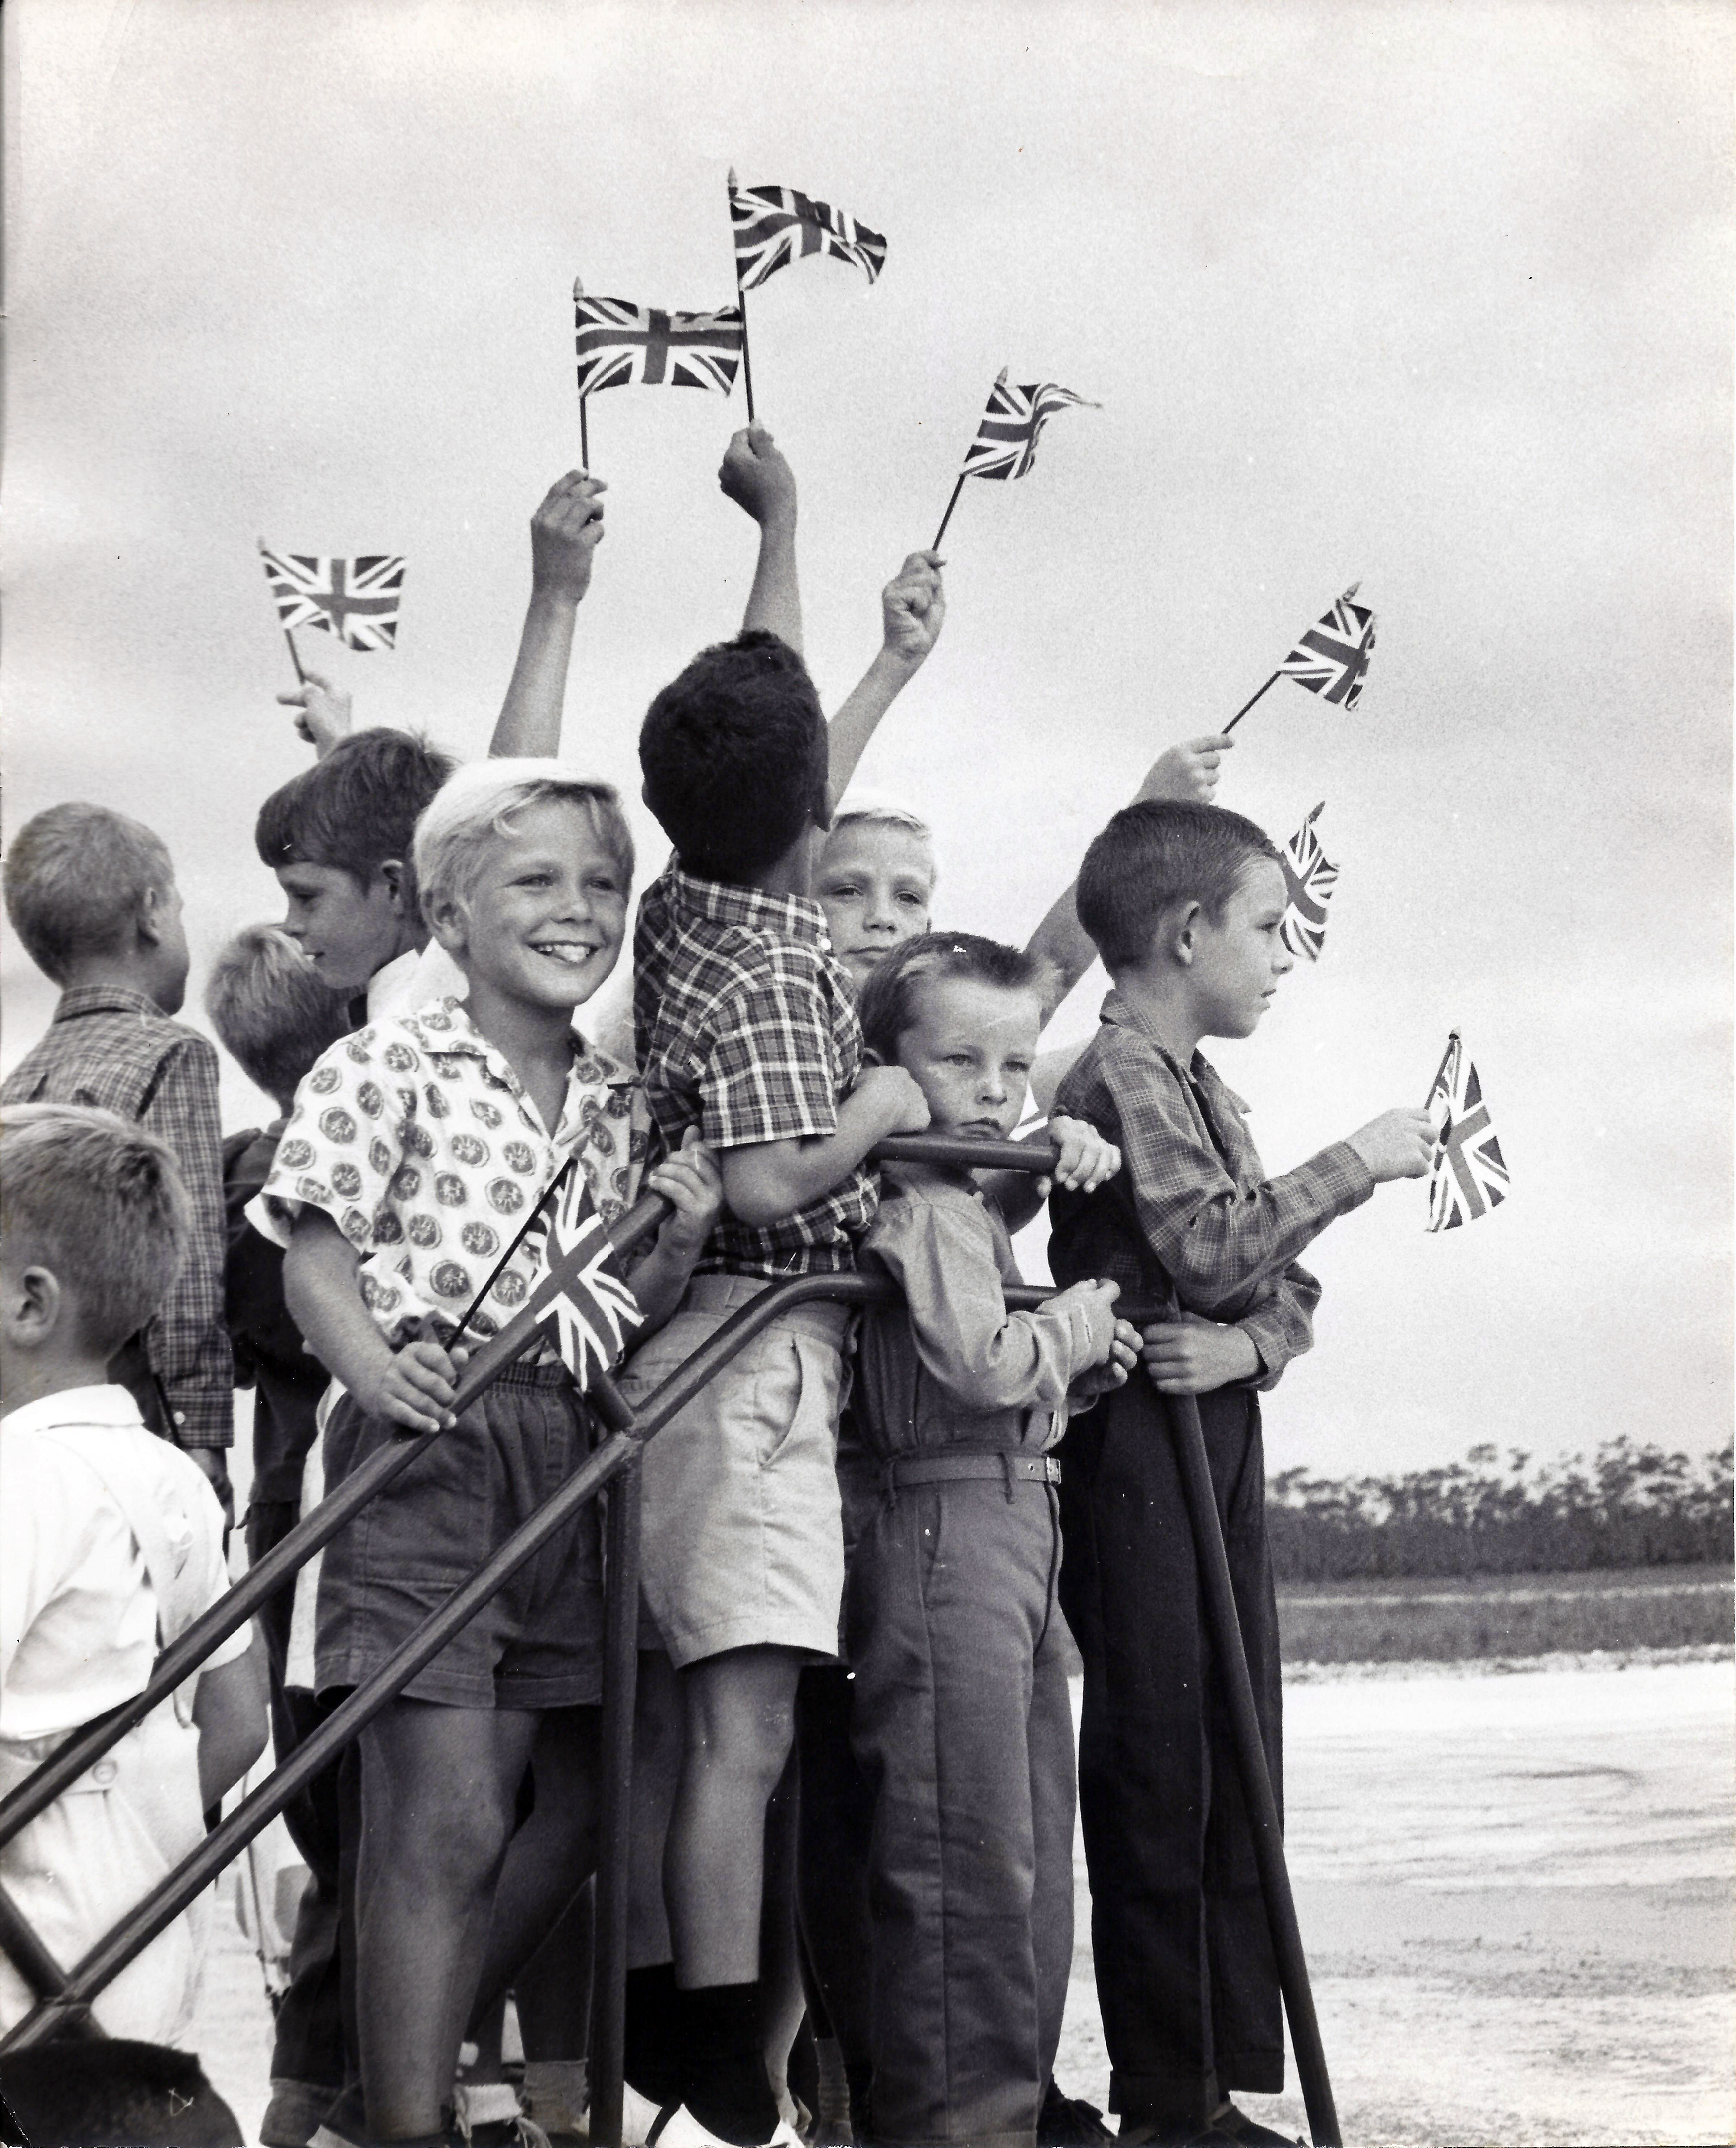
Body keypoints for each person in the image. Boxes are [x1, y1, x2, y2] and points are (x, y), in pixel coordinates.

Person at [254, 762, 722, 2148]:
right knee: (441, 1819)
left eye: (601, 886)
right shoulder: (389, 1058)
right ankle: (403, 2122)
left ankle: (387, 2075)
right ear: (448, 918)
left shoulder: (622, 1099)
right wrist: (370, 1366)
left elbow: (613, 1309)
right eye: (537, 882)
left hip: (569, 1455)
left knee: (587, 1796)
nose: (578, 910)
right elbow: (314, 1248)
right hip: (431, 1443)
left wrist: (681, 1235)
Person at [1047, 800, 1435, 2147]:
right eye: (1268, 928)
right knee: (1159, 1759)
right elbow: (1214, 1246)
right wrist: (1360, 1164)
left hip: (1206, 1422)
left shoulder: (1201, 1080)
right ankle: (1166, 2092)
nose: (1284, 956)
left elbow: (1275, 1280)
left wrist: (1249, 1352)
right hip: (1133, 1439)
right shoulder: (1122, 1074)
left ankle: (1201, 2079)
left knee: (1231, 1750)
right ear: (1184, 931)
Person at [624, 572, 940, 2148]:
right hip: (748, 1362)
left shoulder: (691, 897)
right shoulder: (766, 970)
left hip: (743, 1364)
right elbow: (761, 1184)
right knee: (743, 1732)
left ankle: (727, 2022)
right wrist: (879, 1111)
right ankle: (712, 2046)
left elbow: (789, 765)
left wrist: (810, 562)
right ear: (816, 822)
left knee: (749, 1730)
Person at [846, 935, 1140, 2148]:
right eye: (957, 1059)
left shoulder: (968, 1200)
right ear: (888, 1070)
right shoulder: (921, 1202)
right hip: (943, 1526)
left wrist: (1071, 1365)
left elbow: (1002, 1374)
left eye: (1015, 1065)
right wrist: (1062, 1337)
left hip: (1015, 1516)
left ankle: (1008, 2111)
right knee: (962, 1858)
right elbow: (975, 1364)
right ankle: (963, 2128)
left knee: (1019, 1852)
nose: (993, 1088)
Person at [0, 1105, 266, 2045]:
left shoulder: (20, 1482)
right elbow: (238, 1720)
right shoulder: (176, 1476)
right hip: (141, 1938)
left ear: (30, 1304)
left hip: (26, 1956)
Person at [257, 469, 609, 1027]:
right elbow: (385, 848)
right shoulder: (401, 992)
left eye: (307, 897)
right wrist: (342, 764)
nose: (290, 925)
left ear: (399, 886)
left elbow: (506, 791)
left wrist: (555, 598)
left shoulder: (436, 996)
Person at [204, 923, 354, 2148]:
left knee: (335, 1835)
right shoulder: (313, 1181)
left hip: (282, 1533)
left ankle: (307, 2095)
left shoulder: (241, 1173)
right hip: (339, 1530)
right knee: (374, 1832)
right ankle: (327, 2098)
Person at [0, 805, 235, 1510]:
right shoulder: (172, 1056)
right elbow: (187, 1265)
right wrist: (203, 1433)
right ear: (155, 913)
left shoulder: (19, 1086)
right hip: (134, 1406)